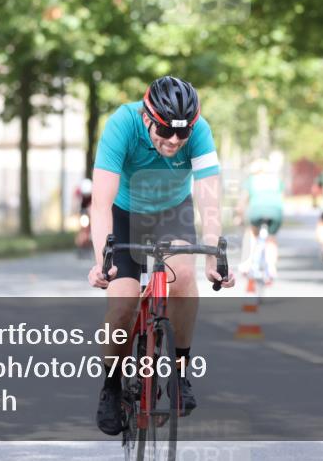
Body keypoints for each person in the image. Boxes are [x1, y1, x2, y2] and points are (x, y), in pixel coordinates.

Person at [87, 76, 235, 436]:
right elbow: (101, 200)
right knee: (122, 304)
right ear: (148, 117)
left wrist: (214, 251)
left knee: (183, 278)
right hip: (123, 215)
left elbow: (208, 196)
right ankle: (111, 386)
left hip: (172, 213)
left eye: (181, 135)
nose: (173, 141)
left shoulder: (200, 131)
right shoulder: (122, 123)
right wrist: (101, 259)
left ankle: (180, 375)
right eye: (165, 131)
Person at [234, 159, 284, 284]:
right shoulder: (276, 181)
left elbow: (242, 201)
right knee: (271, 238)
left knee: (251, 233)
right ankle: (271, 267)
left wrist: (239, 216)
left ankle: (247, 263)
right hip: (275, 212)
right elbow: (281, 199)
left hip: (257, 211)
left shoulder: (251, 181)